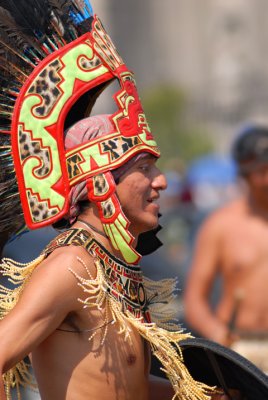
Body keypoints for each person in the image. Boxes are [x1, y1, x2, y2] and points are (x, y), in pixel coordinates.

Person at [0, 1, 245, 399]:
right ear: (101, 182)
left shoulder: (108, 263)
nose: (161, 181)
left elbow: (120, 387)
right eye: (145, 169)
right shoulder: (71, 266)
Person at [184, 125, 268, 372]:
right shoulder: (220, 225)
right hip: (239, 347)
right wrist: (217, 334)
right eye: (261, 171)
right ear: (244, 174)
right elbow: (194, 301)